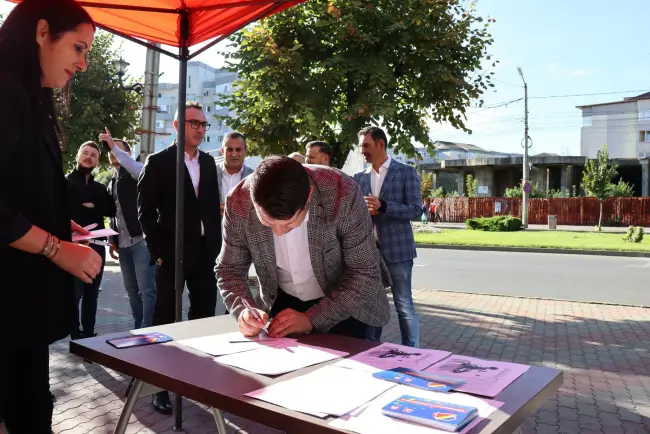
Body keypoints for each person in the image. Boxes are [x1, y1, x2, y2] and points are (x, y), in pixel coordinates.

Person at [0, 1, 99, 433]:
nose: (82, 63)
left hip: (19, 312)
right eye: (78, 48)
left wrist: (57, 221)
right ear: (42, 32)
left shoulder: (25, 95)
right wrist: (57, 249)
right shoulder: (6, 91)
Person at [217, 156, 391, 340]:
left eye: (290, 223)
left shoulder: (342, 192)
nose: (278, 232)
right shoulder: (238, 201)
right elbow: (229, 269)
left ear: (309, 197)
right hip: (283, 303)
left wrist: (312, 318)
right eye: (268, 222)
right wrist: (244, 312)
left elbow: (364, 273)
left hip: (350, 303)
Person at [137, 100, 222, 414]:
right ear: (176, 126)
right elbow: (145, 213)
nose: (200, 129)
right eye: (194, 123)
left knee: (203, 316)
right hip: (172, 256)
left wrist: (216, 244)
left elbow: (211, 207)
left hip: (205, 253)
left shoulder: (210, 163)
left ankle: (195, 380)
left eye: (203, 124)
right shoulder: (158, 162)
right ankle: (160, 387)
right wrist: (160, 253)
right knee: (166, 320)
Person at [354, 126, 422, 347]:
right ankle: (371, 349)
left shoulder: (406, 172)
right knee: (374, 304)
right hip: (370, 252)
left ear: (380, 144)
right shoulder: (359, 177)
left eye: (366, 145)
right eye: (361, 146)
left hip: (398, 250)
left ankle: (412, 352)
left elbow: (415, 210)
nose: (362, 150)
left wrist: (384, 207)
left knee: (404, 304)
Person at [99, 130, 157, 330]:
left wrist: (112, 144)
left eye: (118, 150)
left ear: (128, 154)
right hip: (122, 244)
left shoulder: (136, 172)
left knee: (146, 290)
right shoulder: (112, 181)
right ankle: (138, 326)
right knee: (131, 290)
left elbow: (133, 166)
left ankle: (147, 327)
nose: (113, 153)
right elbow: (115, 212)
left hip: (140, 240)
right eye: (110, 151)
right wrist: (112, 240)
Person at [66, 141, 116, 339]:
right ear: (77, 156)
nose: (89, 157)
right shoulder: (65, 183)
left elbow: (110, 209)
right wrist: (92, 206)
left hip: (96, 247)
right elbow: (68, 211)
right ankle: (75, 335)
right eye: (85, 153)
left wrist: (92, 206)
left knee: (92, 293)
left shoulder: (99, 187)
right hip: (73, 247)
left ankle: (88, 334)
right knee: (75, 294)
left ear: (97, 161)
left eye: (94, 155)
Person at [216, 132, 254, 216]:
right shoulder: (209, 173)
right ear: (223, 151)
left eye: (238, 150)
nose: (234, 154)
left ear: (245, 151)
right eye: (229, 149)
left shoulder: (254, 177)